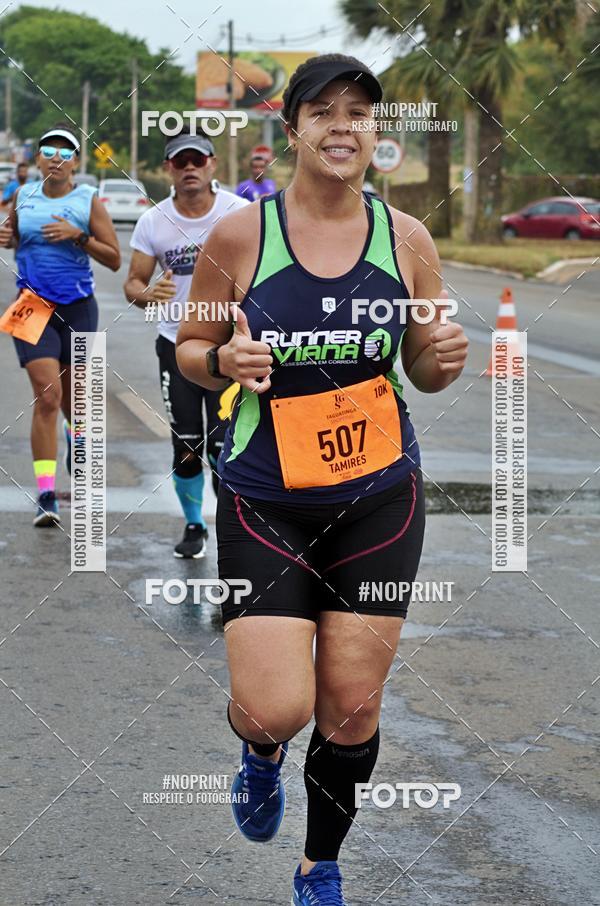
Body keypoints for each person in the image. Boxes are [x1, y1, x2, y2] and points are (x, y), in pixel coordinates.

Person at [177, 54, 468, 905]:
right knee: (276, 708)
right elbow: (192, 349)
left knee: (352, 707)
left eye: (360, 112)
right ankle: (260, 751)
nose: (343, 126)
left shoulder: (407, 239)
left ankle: (319, 866)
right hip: (265, 497)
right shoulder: (242, 236)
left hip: (379, 495)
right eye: (324, 111)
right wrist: (223, 361)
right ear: (294, 127)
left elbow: (424, 367)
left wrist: (443, 358)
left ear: (376, 131)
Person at [124, 129, 248, 558]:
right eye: (181, 161)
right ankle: (195, 525)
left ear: (213, 164)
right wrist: (147, 294)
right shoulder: (153, 221)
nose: (190, 168)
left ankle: (233, 529)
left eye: (198, 160)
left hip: (226, 349)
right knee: (188, 446)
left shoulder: (239, 213)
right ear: (169, 169)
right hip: (175, 347)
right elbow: (133, 283)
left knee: (226, 446)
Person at [0, 123, 120, 527]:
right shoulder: (23, 196)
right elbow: (14, 237)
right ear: (37, 159)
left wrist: (78, 236)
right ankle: (46, 494)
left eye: (65, 152)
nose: (56, 158)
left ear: (76, 162)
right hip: (31, 306)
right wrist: (6, 237)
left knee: (76, 403)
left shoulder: (87, 200)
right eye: (49, 151)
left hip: (79, 308)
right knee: (47, 397)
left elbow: (114, 259)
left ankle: (74, 435)